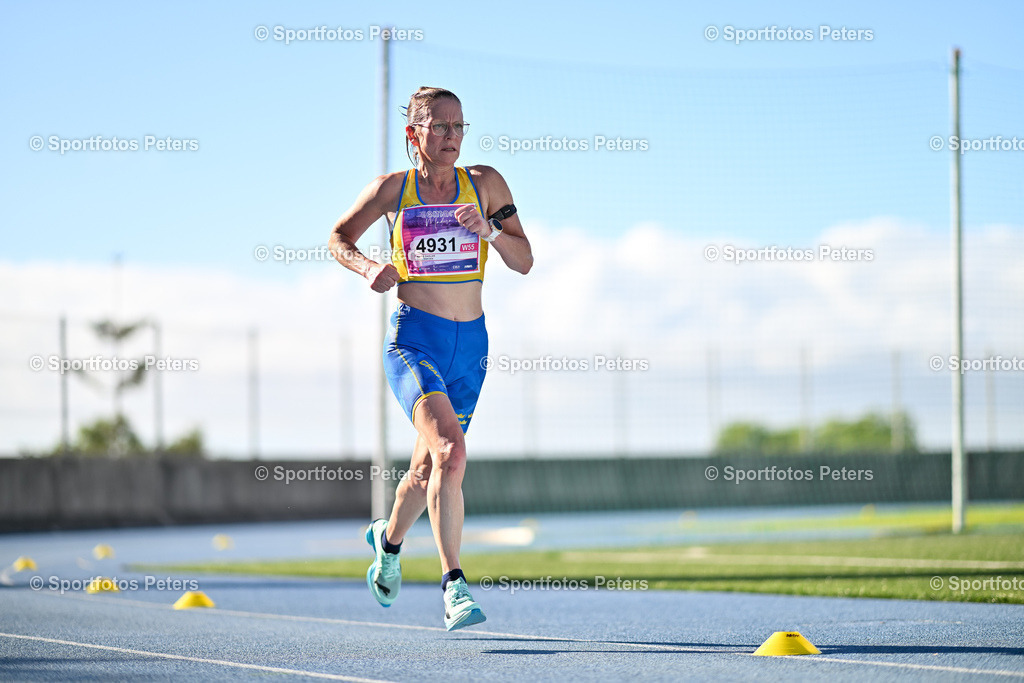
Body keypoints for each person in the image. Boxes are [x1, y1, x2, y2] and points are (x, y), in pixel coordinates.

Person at [329, 87, 533, 631]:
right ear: (412, 134)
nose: (451, 138)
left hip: (472, 346)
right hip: (415, 340)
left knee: (427, 469)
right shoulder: (392, 190)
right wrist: (367, 266)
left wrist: (487, 227)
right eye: (439, 127)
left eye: (459, 127)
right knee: (452, 451)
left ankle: (388, 545)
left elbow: (524, 259)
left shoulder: (486, 184)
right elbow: (338, 238)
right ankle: (454, 587)